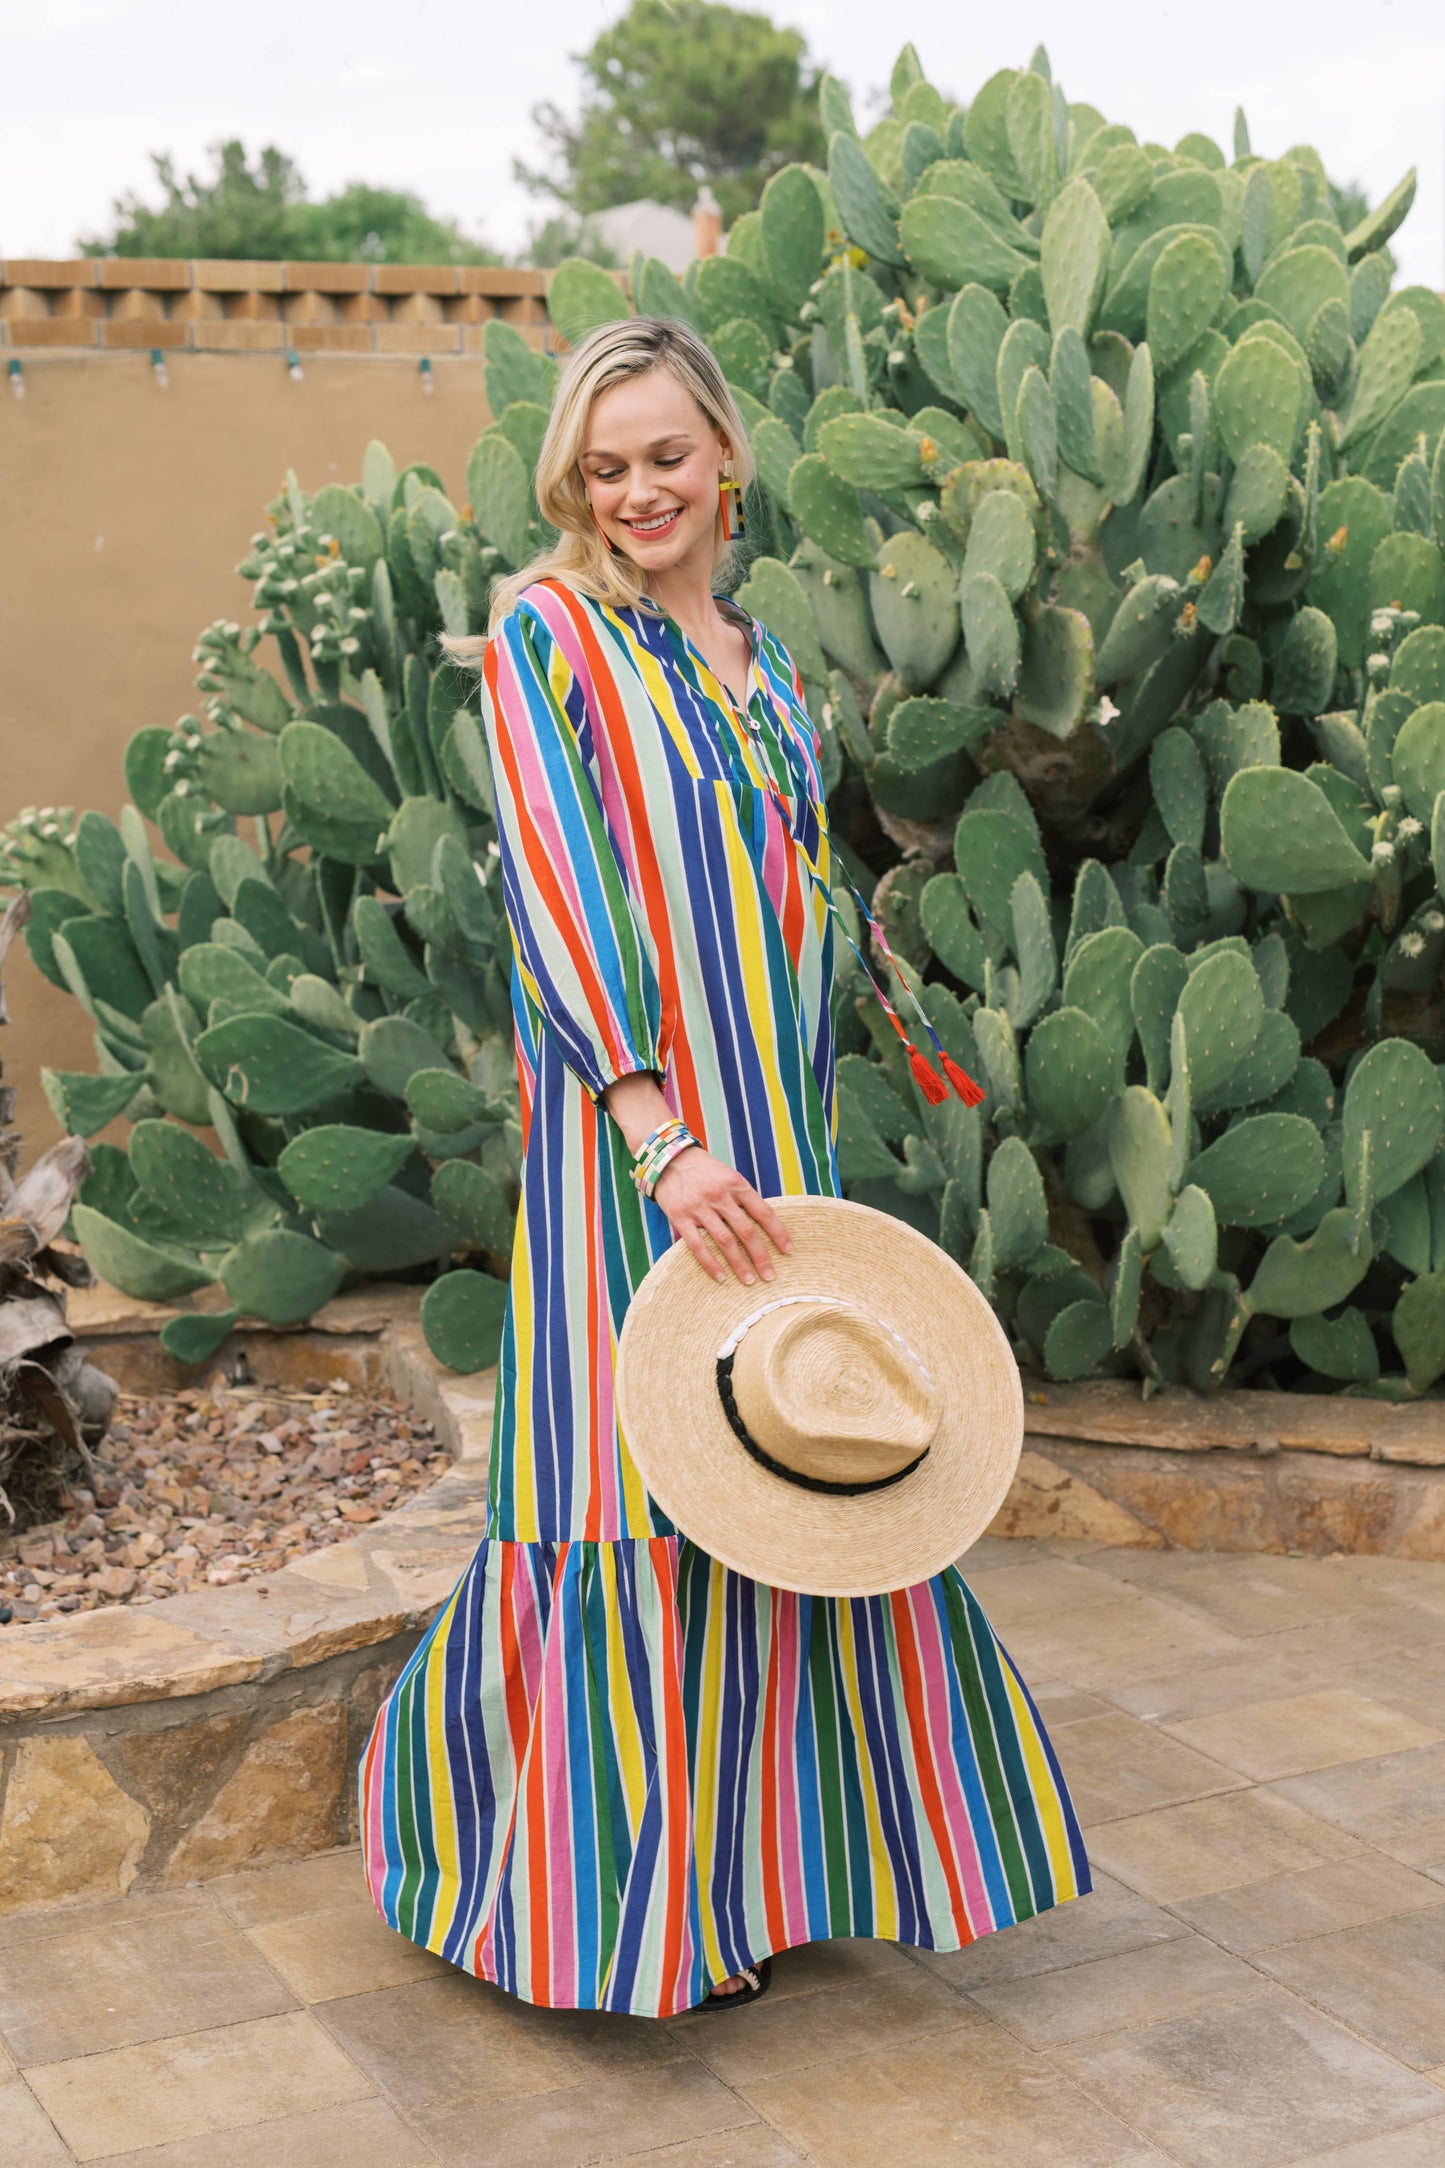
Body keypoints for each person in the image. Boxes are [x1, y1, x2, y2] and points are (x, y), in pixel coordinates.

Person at [358, 315, 1089, 2015]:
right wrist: (649, 1128)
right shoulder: (553, 634)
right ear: (571, 482)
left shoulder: (768, 675)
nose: (635, 494)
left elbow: (792, 904)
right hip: (637, 1144)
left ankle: (754, 1889)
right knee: (625, 1489)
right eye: (603, 468)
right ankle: (606, 1911)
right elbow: (559, 881)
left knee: (777, 1480)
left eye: (664, 458)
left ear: (726, 461)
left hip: (773, 1130)